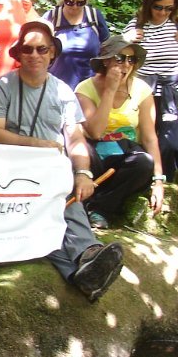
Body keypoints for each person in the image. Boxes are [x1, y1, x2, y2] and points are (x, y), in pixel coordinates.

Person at [0, 20, 125, 302]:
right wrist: (38, 145)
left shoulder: (62, 92)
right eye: (28, 49)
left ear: (52, 54)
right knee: (54, 202)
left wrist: (83, 172)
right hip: (7, 170)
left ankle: (81, 272)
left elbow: (75, 139)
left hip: (48, 171)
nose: (34, 55)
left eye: (41, 49)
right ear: (18, 54)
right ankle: (87, 252)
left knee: (58, 197)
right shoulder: (0, 88)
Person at [75, 36, 163, 228]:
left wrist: (158, 180)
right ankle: (88, 206)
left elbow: (149, 138)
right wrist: (109, 91)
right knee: (81, 152)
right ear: (106, 61)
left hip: (126, 156)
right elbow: (95, 131)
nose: (126, 64)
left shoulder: (142, 90)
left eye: (131, 60)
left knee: (144, 162)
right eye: (120, 58)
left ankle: (99, 208)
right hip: (96, 153)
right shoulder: (85, 89)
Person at [122, 0, 178, 177]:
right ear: (149, 4)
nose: (162, 12)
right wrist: (126, 39)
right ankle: (145, 180)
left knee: (171, 142)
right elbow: (120, 58)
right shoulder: (137, 25)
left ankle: (169, 182)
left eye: (168, 8)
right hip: (143, 92)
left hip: (174, 91)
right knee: (143, 139)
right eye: (158, 7)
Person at [44, 0, 110, 89]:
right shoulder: (52, 18)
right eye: (69, 2)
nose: (74, 7)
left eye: (80, 3)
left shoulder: (94, 17)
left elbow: (107, 50)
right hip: (56, 88)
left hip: (89, 90)